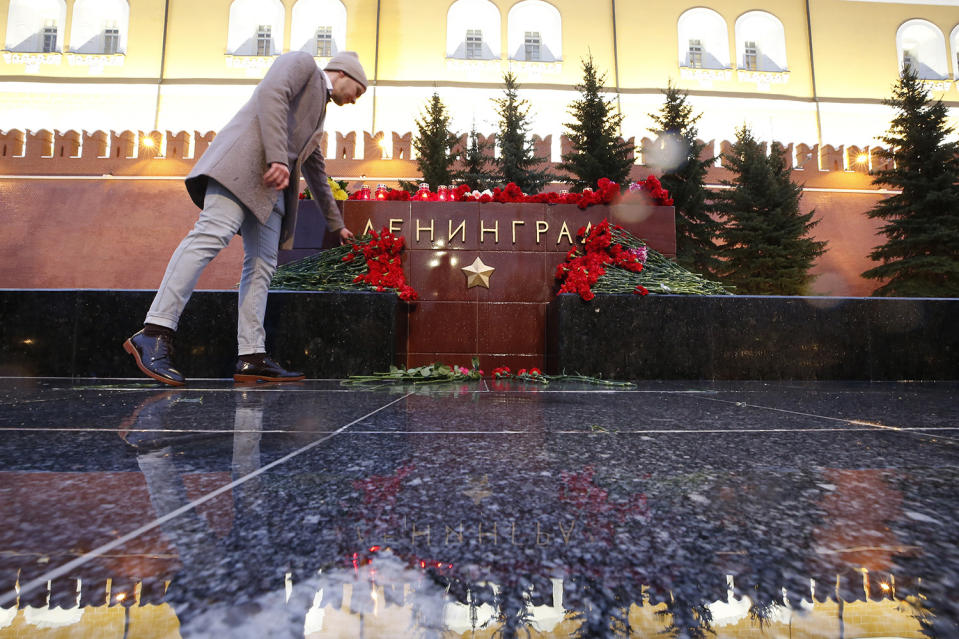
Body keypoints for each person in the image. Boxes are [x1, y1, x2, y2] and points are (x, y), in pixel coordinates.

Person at [123, 51, 367, 386]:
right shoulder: (302, 63)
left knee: (263, 265)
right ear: (343, 72)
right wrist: (278, 158)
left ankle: (251, 356)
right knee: (210, 237)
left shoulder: (318, 114)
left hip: (271, 191)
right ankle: (154, 331)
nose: (356, 100)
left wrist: (336, 224)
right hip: (242, 168)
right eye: (359, 90)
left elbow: (315, 168)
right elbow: (271, 94)